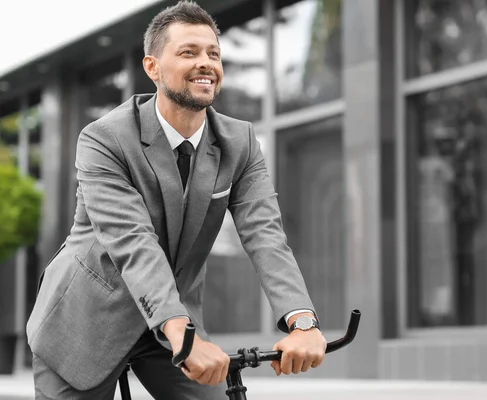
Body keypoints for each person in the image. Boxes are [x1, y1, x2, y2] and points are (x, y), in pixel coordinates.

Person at [26, 1, 326, 399]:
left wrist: (301, 321)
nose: (206, 63)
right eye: (189, 52)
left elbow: (265, 234)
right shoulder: (104, 139)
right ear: (153, 68)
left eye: (213, 53)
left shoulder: (240, 142)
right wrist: (182, 333)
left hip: (173, 324)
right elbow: (133, 242)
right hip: (86, 320)